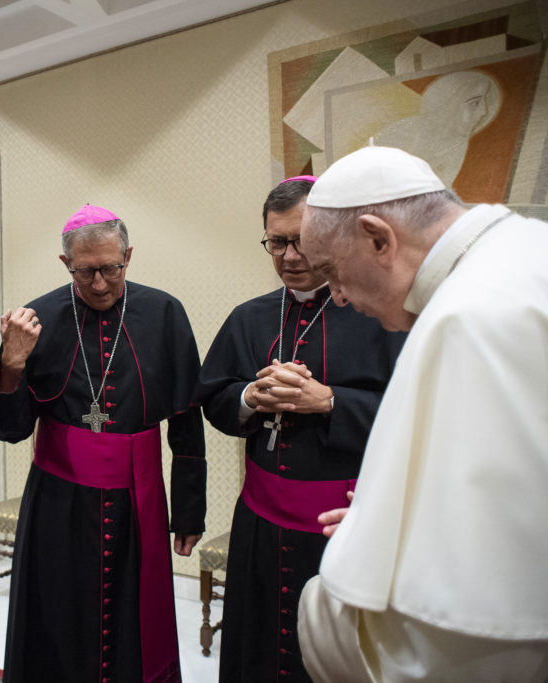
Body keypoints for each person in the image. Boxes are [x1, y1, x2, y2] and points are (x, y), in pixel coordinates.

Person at [296, 145, 548, 682]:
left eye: (332, 272)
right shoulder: (525, 251)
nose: (336, 297)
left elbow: (472, 625)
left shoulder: (473, 316)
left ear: (378, 238)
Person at [0, 204, 206, 683]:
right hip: (56, 507)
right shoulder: (35, 319)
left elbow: (187, 420)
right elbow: (10, 430)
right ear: (66, 265)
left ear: (128, 256)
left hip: (137, 502)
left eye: (111, 268)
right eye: (86, 272)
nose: (101, 283)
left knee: (133, 623)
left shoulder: (165, 313)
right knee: (57, 622)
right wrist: (13, 365)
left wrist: (189, 512)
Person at [196, 176, 404, 681]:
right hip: (262, 524)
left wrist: (328, 401)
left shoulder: (381, 314)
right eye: (276, 242)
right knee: (259, 650)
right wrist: (251, 396)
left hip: (346, 526)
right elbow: (215, 397)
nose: (289, 255)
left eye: (302, 241)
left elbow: (410, 416)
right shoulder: (249, 318)